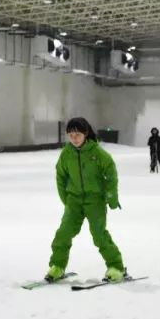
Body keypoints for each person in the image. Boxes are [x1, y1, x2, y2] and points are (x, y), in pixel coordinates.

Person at [45, 117, 127, 283]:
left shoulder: (98, 153)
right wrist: (66, 198)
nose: (74, 138)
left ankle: (116, 267)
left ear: (86, 133)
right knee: (63, 233)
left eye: (77, 134)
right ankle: (57, 266)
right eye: (70, 134)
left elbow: (111, 175)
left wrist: (112, 197)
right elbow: (61, 176)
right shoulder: (66, 154)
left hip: (95, 200)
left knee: (99, 235)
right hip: (74, 200)